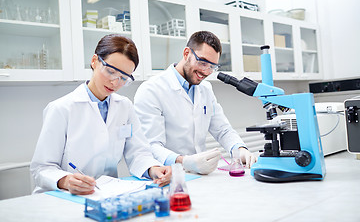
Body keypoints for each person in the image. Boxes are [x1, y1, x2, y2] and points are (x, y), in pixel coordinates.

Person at [30, 34, 171, 195]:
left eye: (124, 77)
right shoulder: (61, 108)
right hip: (65, 196)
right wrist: (66, 181)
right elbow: (42, 168)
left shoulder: (125, 106)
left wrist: (154, 169)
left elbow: (138, 153)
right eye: (111, 71)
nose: (115, 82)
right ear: (94, 61)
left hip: (106, 193)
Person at [134, 31, 257, 175]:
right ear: (187, 53)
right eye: (202, 62)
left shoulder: (205, 89)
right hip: (168, 175)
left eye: (212, 67)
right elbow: (151, 145)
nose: (206, 71)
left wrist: (240, 149)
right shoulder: (151, 90)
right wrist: (184, 161)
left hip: (199, 175)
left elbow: (223, 130)